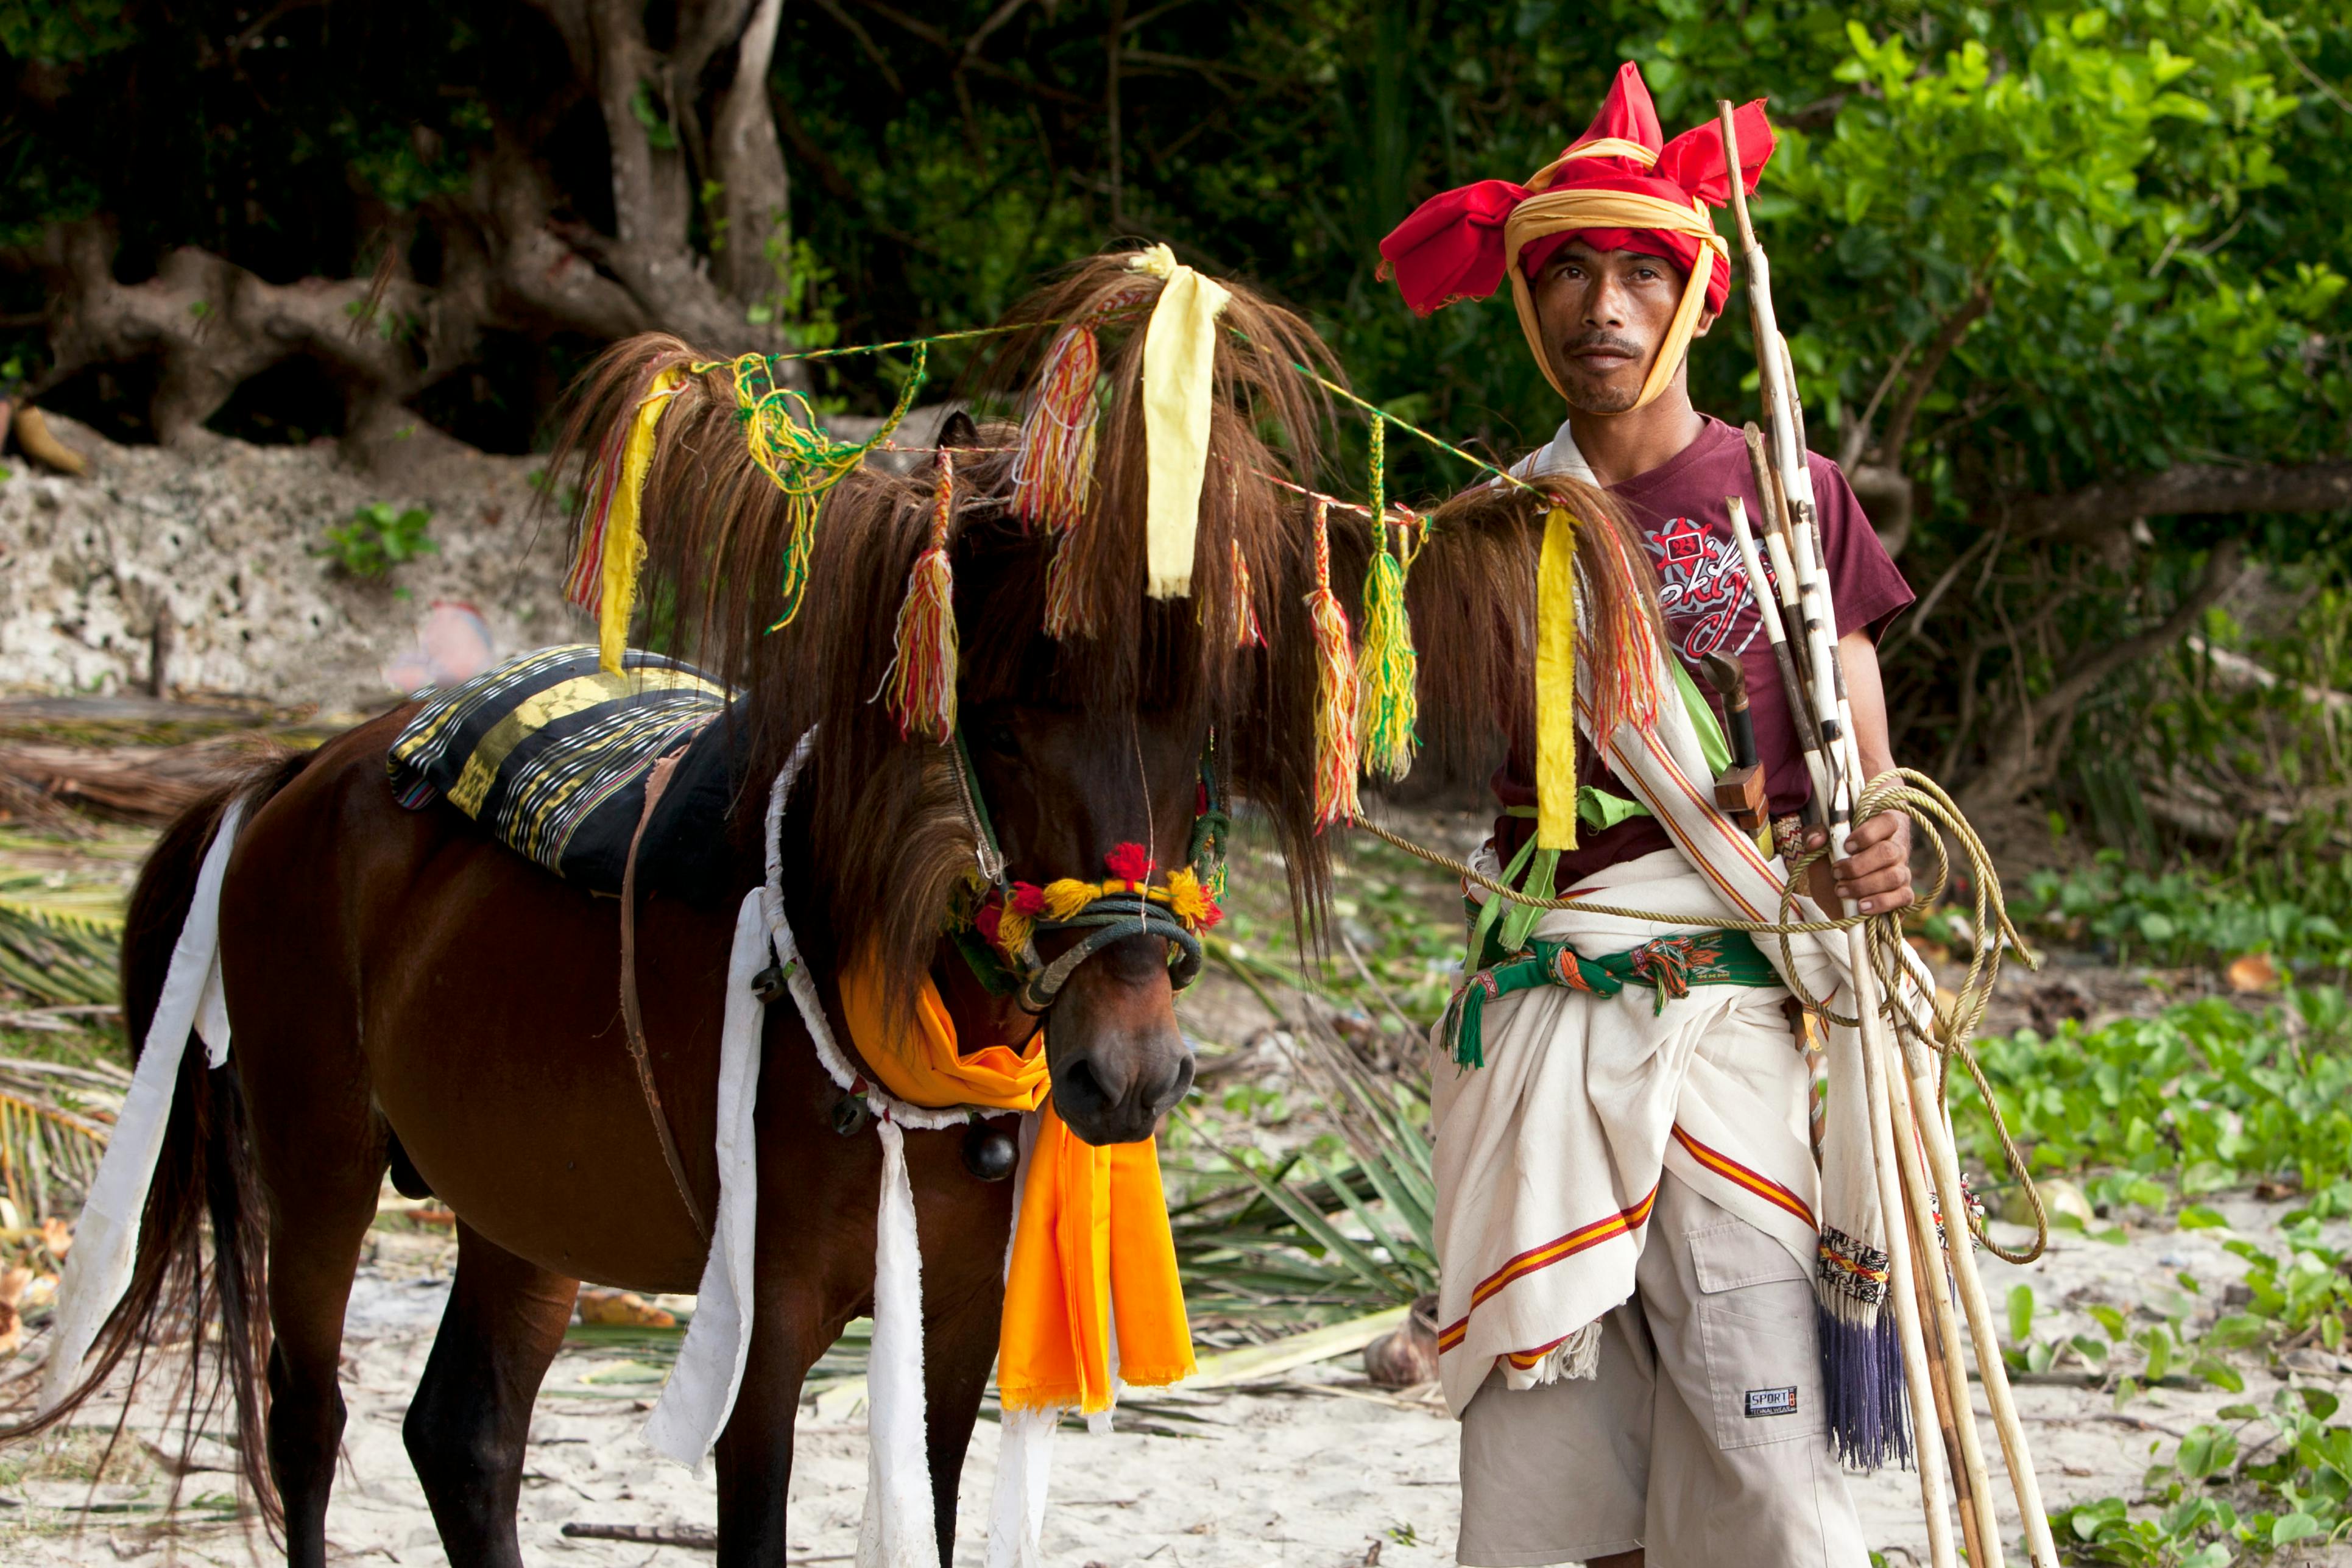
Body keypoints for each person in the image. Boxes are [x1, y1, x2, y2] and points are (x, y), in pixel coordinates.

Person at [1379, 63, 1918, 1567]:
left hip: (1730, 1022)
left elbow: (1867, 795)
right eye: (1562, 274)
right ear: (1523, 300)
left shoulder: (1786, 495)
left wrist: (1885, 847)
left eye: (1635, 273)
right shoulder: (1490, 526)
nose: (1596, 309)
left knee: (1762, 1457)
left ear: (1690, 296)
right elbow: (1391, 742)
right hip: (1541, 1018)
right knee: (1556, 1464)